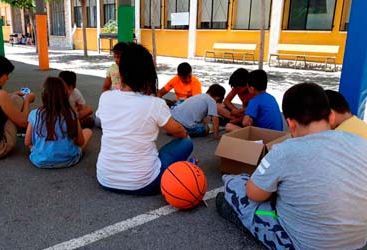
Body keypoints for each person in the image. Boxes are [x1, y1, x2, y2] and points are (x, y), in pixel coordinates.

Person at [216, 82, 367, 249]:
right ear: (331, 117)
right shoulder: (360, 142)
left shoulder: (285, 150)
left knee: (236, 183)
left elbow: (254, 195)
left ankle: (237, 214)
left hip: (306, 245)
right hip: (358, 242)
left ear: (291, 124)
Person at [96, 43, 193, 195]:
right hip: (145, 183)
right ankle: (184, 169)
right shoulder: (154, 104)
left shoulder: (105, 98)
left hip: (105, 179)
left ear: (120, 74)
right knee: (186, 142)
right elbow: (179, 132)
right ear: (149, 76)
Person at [25, 77, 92, 168]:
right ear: (65, 95)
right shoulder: (71, 114)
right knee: (88, 131)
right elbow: (80, 142)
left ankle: (43, 153)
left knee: (34, 146)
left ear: (44, 95)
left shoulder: (34, 114)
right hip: (68, 160)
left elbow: (27, 142)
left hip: (39, 160)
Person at [0, 54, 35, 160]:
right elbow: (23, 121)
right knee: (16, 101)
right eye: (6, 74)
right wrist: (27, 100)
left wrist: (10, 95)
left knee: (13, 98)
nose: (7, 78)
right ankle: (30, 134)